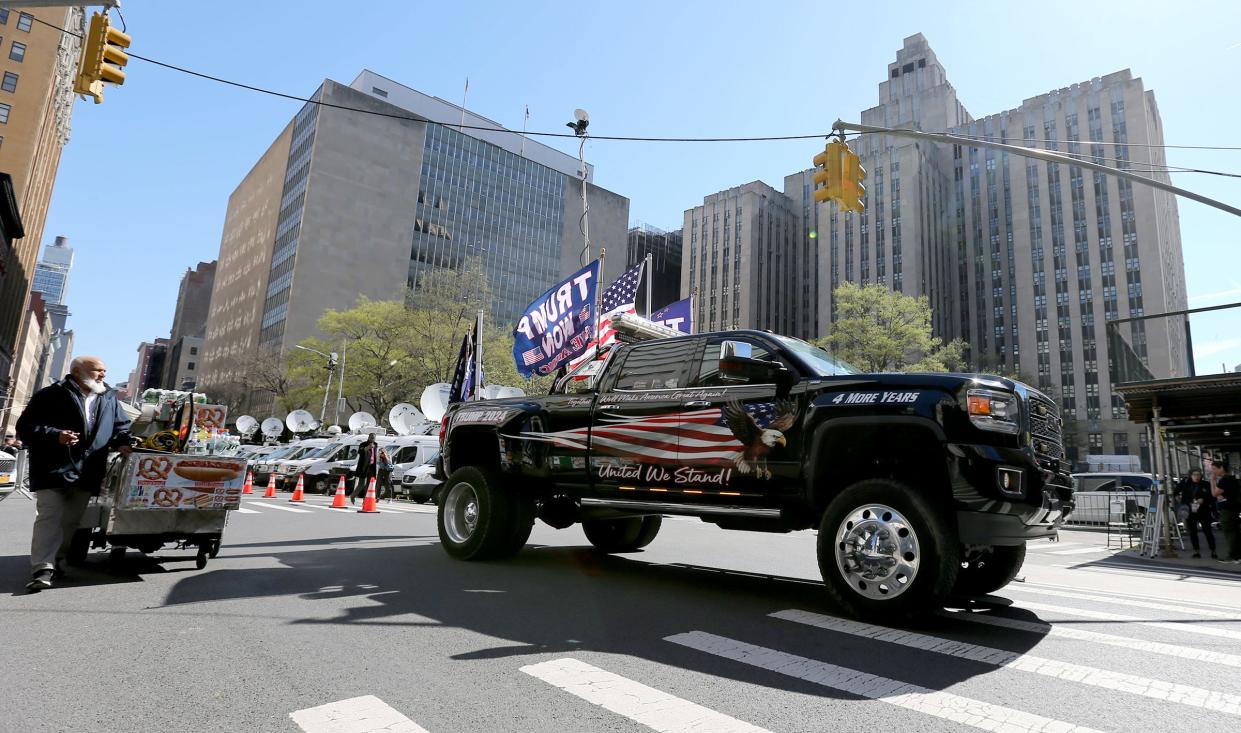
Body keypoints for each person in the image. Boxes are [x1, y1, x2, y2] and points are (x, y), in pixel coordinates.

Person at [16, 356, 132, 592]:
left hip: (88, 471)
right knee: (49, 517)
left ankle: (58, 560)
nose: (102, 375)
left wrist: (123, 442)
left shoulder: (109, 398)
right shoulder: (51, 394)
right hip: (53, 468)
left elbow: (121, 428)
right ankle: (42, 568)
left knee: (71, 521)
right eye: (97, 370)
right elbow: (26, 428)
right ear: (77, 372)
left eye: (104, 371)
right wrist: (55, 435)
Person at [1178, 469, 1216, 559]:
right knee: (1193, 532)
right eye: (1194, 474)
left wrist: (1204, 500)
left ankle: (1213, 550)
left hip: (1203, 510)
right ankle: (1196, 551)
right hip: (1191, 511)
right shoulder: (1186, 484)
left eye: (1198, 474)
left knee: (1207, 530)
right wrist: (1184, 503)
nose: (1196, 476)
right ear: (1191, 475)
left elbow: (1212, 497)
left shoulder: (1205, 484)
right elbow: (1176, 492)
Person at [1210, 458, 1241, 564]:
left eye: (1214, 469)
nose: (1213, 472)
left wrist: (1212, 481)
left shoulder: (1225, 480)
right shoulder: (1232, 479)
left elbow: (1214, 493)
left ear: (1221, 468)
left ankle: (1233, 555)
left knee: (1230, 532)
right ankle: (1237, 554)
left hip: (1228, 510)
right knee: (1234, 532)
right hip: (1233, 508)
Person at [350, 434, 380, 504]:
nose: (372, 439)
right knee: (362, 484)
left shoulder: (375, 444)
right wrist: (368, 447)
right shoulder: (363, 444)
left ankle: (365, 500)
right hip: (364, 467)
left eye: (374, 438)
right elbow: (360, 452)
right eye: (371, 438)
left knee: (369, 485)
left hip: (372, 467)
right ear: (368, 437)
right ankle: (353, 496)